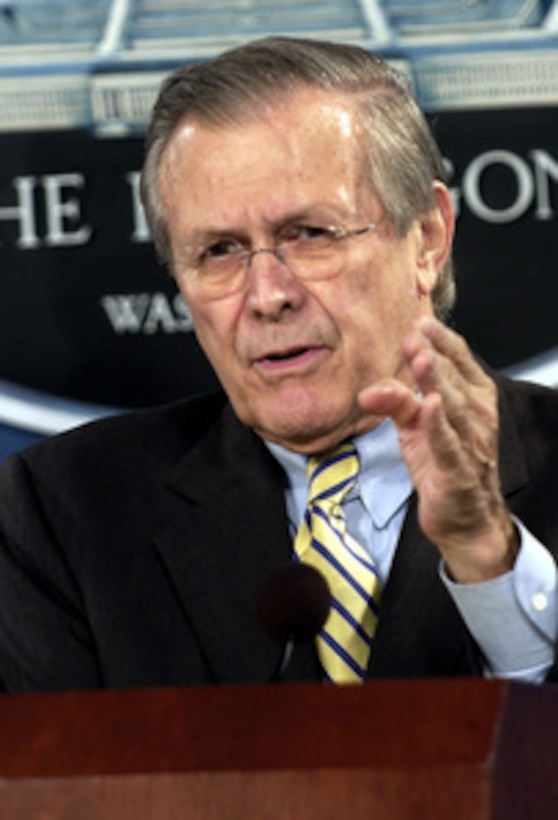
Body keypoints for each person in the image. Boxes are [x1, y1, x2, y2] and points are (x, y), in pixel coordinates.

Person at [0, 37, 557, 692]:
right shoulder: (64, 512)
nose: (267, 296)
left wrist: (488, 561)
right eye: (219, 251)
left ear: (428, 238)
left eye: (309, 234)